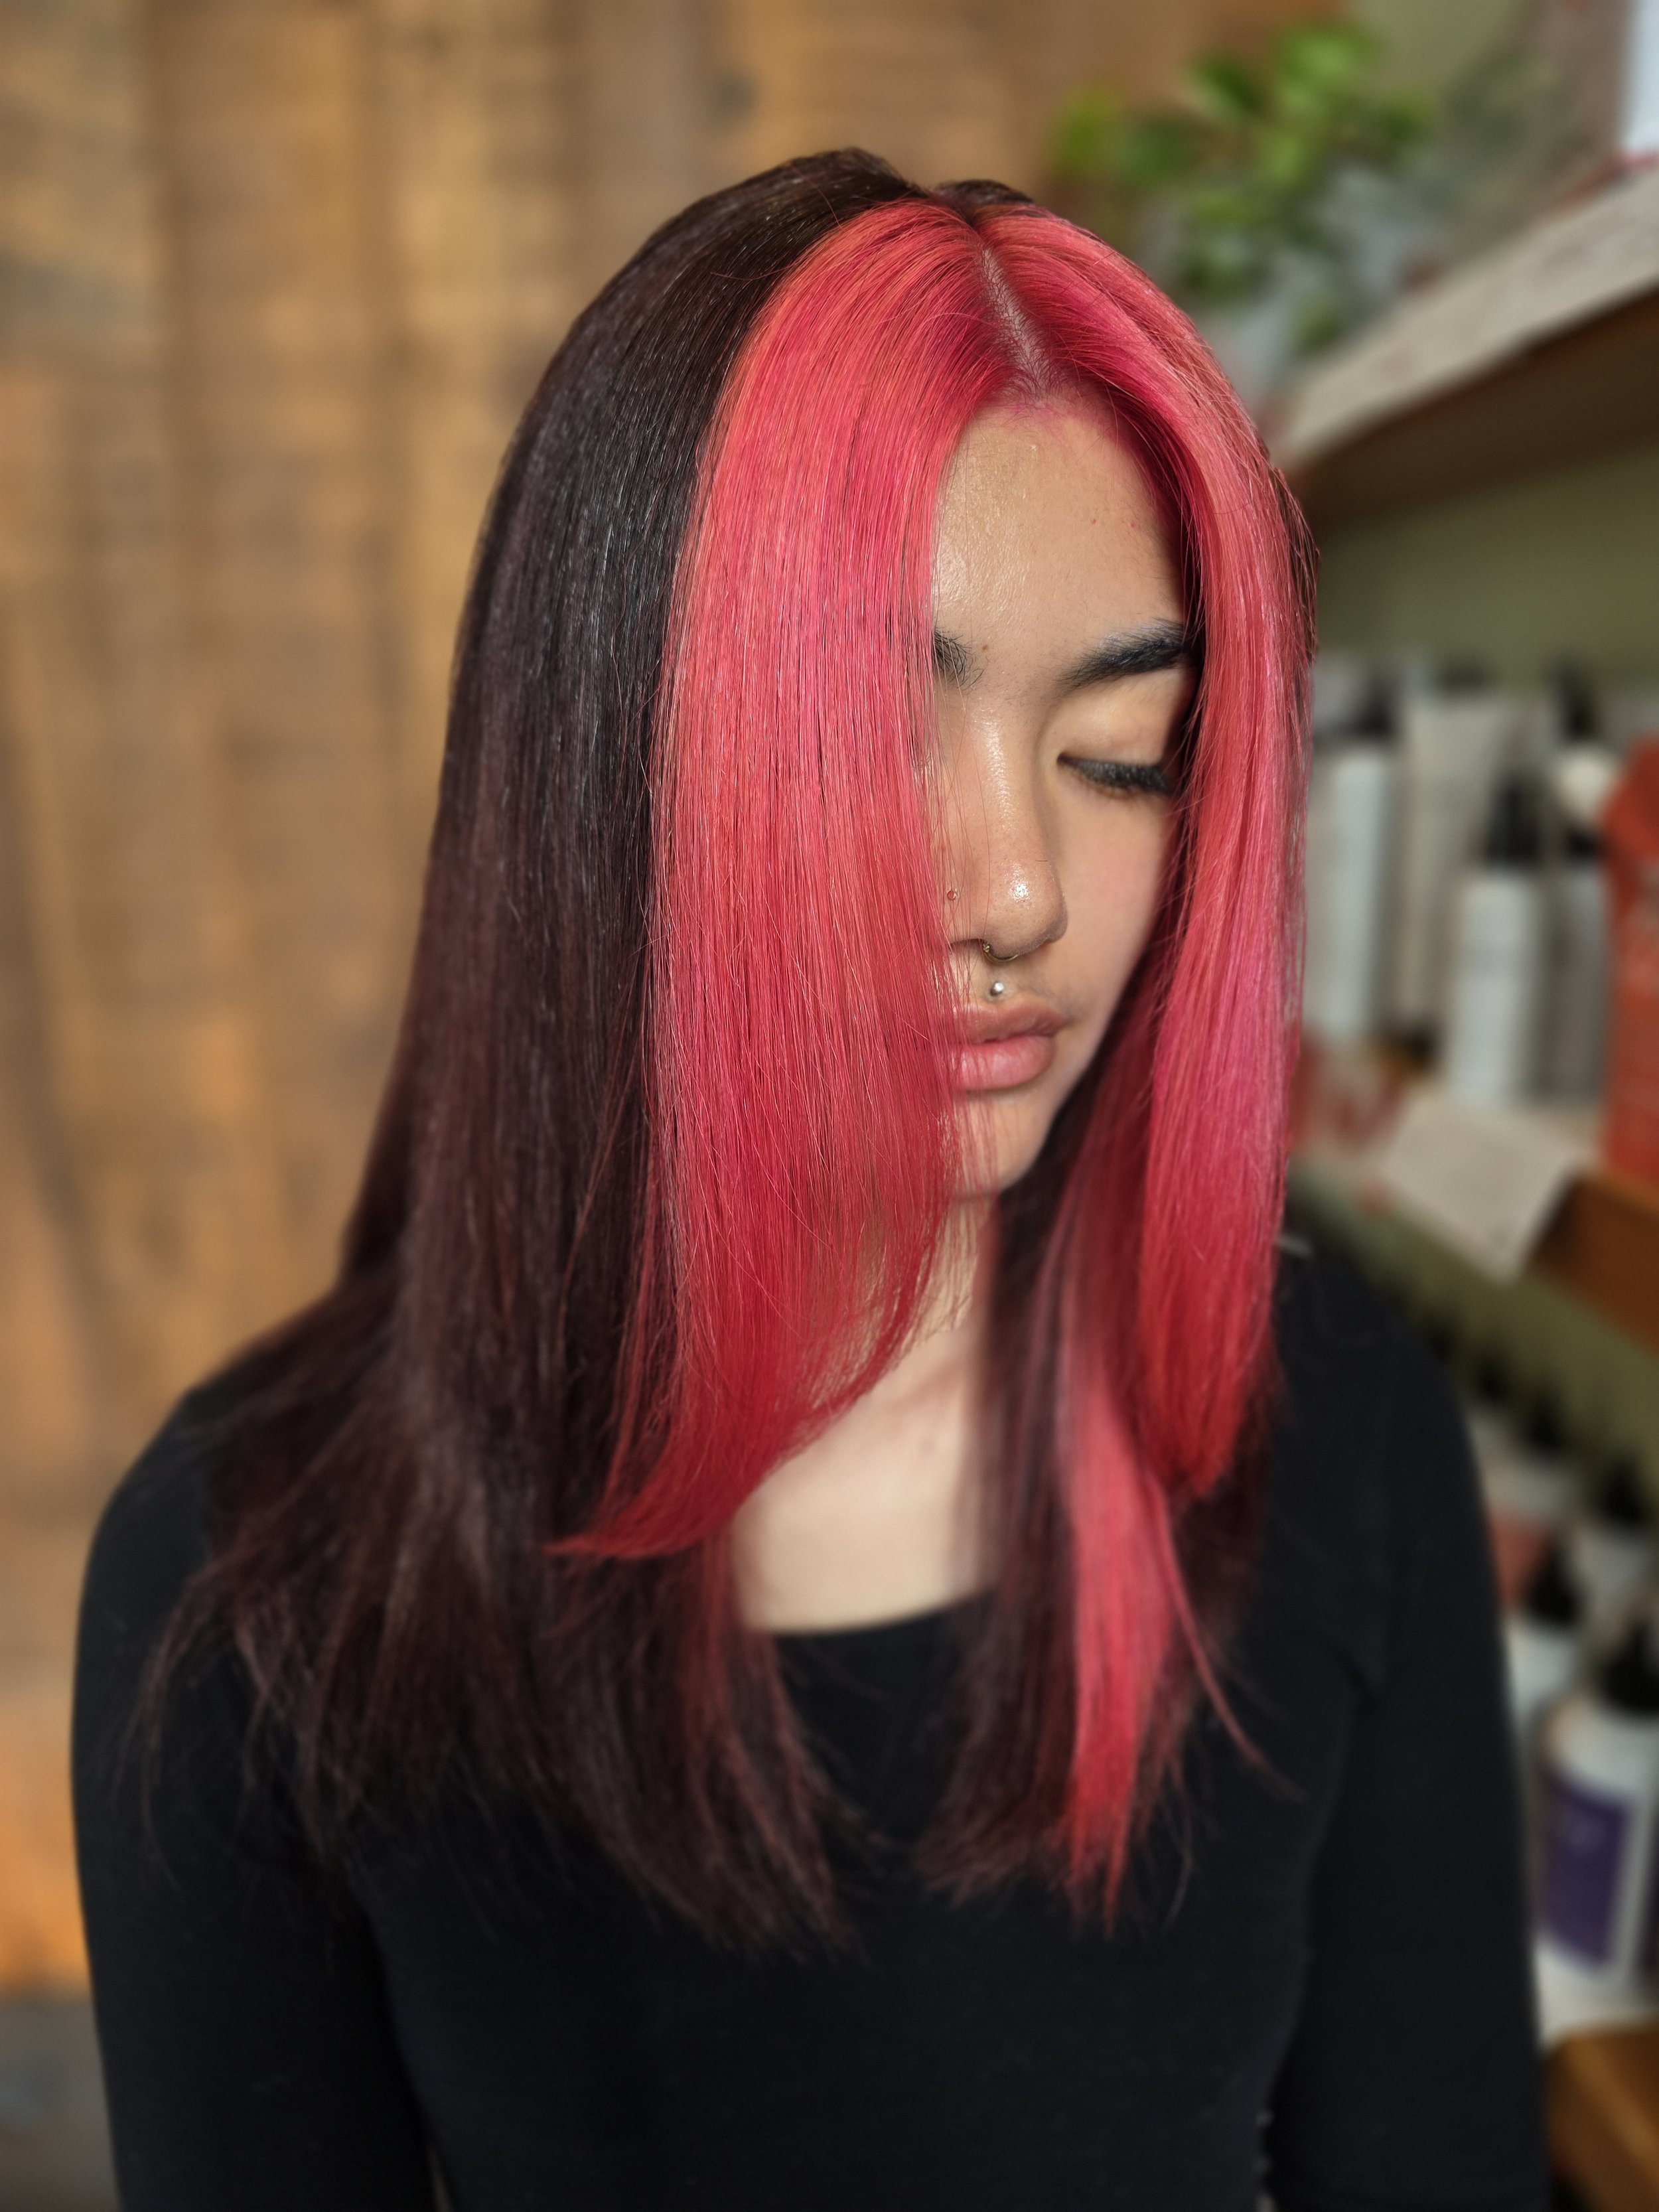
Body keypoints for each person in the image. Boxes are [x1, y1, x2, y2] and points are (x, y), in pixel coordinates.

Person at [72, 150, 1548, 2211]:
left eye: (1123, 754)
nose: (1020, 890)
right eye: (874, 730)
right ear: (603, 769)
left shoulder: (1321, 1422)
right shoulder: (257, 1588)